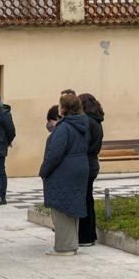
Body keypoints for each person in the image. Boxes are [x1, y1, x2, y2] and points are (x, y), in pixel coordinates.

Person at [40, 93, 90, 255]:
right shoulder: (83, 124)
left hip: (64, 170)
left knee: (61, 207)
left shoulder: (64, 127)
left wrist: (44, 170)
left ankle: (65, 246)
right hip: (80, 166)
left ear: (64, 108)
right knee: (73, 205)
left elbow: (55, 153)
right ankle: (72, 243)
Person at [77, 93, 105, 246]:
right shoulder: (97, 120)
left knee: (83, 200)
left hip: (86, 162)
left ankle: (85, 236)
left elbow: (83, 143)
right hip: (93, 162)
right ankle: (90, 235)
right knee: (88, 198)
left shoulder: (87, 121)